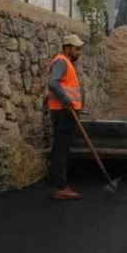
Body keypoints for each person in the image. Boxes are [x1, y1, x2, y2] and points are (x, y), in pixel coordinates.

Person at [47, 34, 86, 201]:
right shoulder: (61, 62)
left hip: (68, 111)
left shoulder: (67, 62)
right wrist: (66, 100)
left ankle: (61, 183)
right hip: (63, 112)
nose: (79, 52)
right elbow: (53, 83)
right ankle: (60, 187)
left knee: (63, 148)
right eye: (76, 49)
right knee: (61, 150)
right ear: (67, 48)